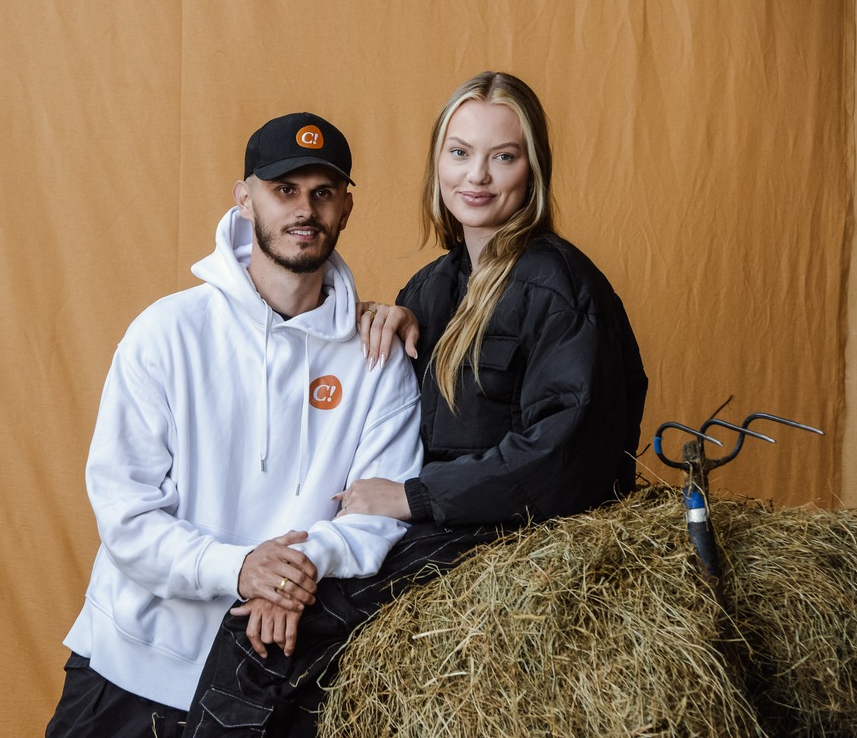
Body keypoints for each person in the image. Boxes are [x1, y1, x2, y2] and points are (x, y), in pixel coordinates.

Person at [183, 71, 648, 737]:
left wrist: (413, 495)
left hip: (509, 538)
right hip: (434, 531)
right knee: (272, 632)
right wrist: (383, 317)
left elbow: (563, 459)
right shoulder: (432, 288)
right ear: (437, 163)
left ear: (533, 168)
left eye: (503, 156)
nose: (478, 176)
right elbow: (383, 419)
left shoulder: (557, 285)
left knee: (262, 648)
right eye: (460, 152)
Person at [45, 112, 424, 738]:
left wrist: (290, 576)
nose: (305, 209)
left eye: (322, 193)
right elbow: (125, 514)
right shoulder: (166, 334)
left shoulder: (376, 356)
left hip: (269, 680)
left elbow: (380, 515)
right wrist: (241, 568)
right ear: (244, 200)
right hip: (131, 663)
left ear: (346, 208)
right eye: (284, 190)